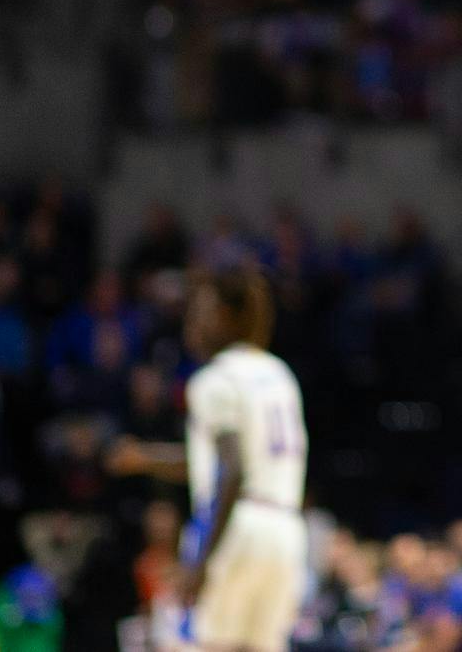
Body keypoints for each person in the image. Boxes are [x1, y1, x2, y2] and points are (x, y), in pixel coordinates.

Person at [109, 269, 309, 652]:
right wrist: (146, 458)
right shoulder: (279, 373)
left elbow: (230, 469)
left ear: (223, 315)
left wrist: (201, 563)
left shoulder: (213, 380)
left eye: (197, 312)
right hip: (285, 528)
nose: (190, 324)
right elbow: (217, 461)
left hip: (237, 525)